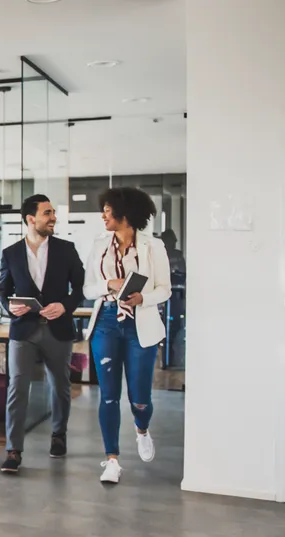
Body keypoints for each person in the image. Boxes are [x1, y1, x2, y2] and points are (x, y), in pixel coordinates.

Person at [84, 187, 172, 484]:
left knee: (139, 398)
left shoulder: (153, 246)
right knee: (108, 396)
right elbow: (87, 289)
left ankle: (142, 429)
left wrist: (142, 298)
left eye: (108, 211)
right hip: (106, 322)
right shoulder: (99, 245)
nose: (103, 216)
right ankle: (112, 460)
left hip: (139, 324)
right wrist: (108, 284)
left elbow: (165, 289)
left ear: (126, 214)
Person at [0, 195, 86, 474]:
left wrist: (65, 306)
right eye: (47, 213)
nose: (53, 217)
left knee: (59, 386)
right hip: (23, 330)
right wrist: (10, 307)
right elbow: (3, 291)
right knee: (17, 388)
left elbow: (81, 289)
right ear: (31, 219)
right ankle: (13, 450)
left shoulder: (66, 250)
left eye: (53, 212)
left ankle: (58, 434)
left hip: (58, 329)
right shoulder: (11, 253)